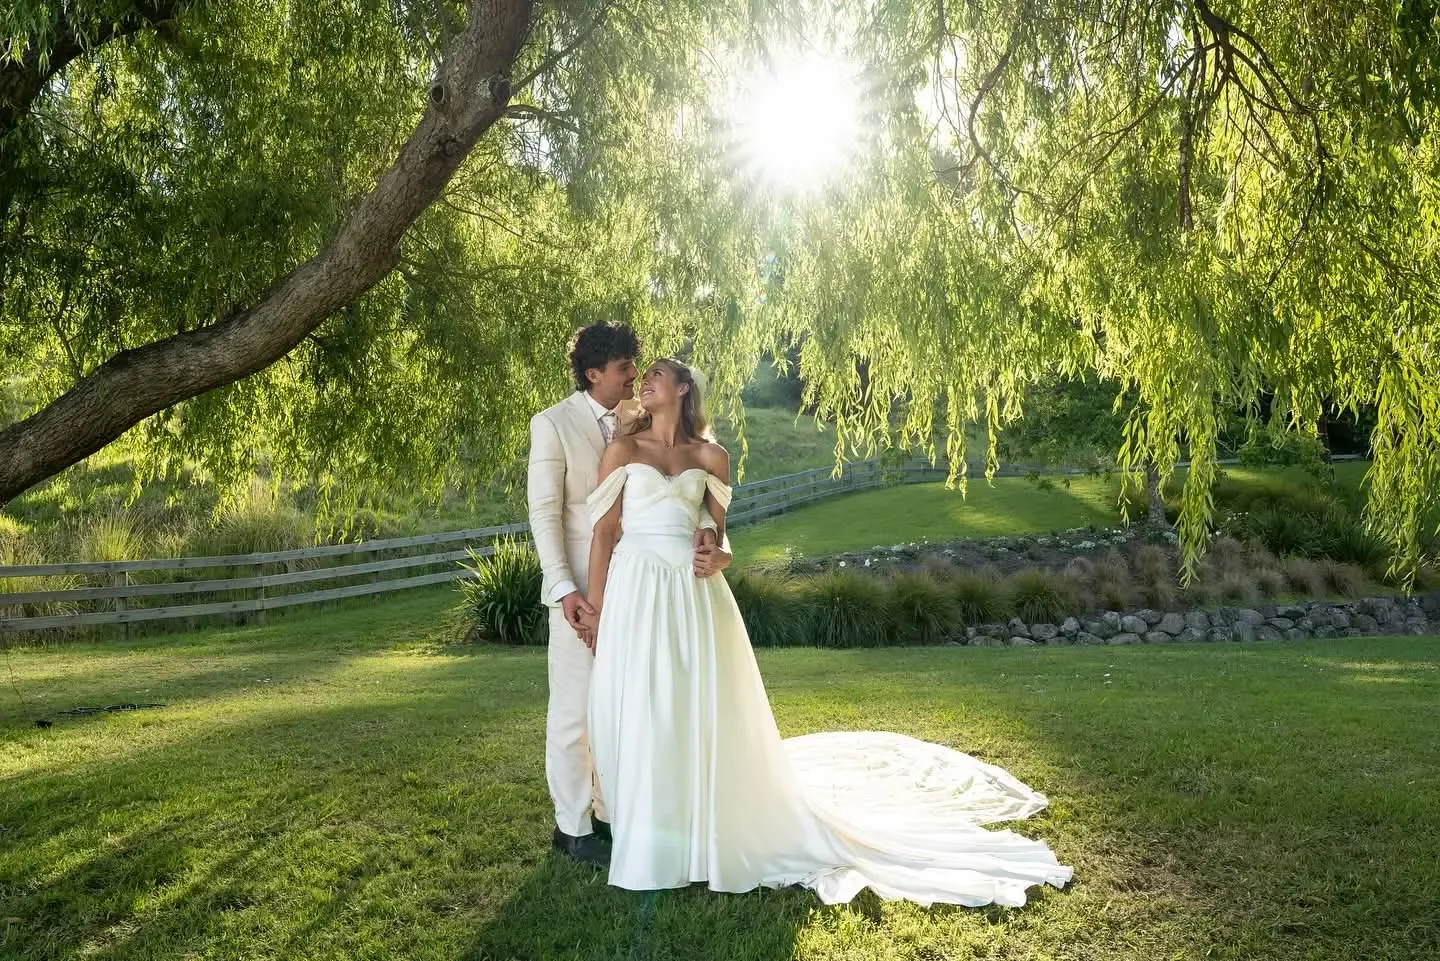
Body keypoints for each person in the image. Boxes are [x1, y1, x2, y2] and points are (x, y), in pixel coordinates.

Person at [583, 357, 1073, 906]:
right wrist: (598, 612)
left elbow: (720, 536)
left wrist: (717, 554)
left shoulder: (711, 456)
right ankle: (651, 839)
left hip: (694, 596)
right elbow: (602, 536)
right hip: (636, 590)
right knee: (645, 704)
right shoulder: (622, 451)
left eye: (656, 374)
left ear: (682, 388)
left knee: (696, 706)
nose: (643, 382)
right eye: (641, 376)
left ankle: (704, 832)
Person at [527, 324, 730, 868]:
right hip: (581, 589)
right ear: (594, 373)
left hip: (643, 589)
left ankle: (614, 813)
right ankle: (572, 829)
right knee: (575, 710)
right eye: (624, 368)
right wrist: (567, 590)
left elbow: (697, 512)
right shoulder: (552, 425)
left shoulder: (636, 422)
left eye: (640, 369)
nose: (635, 377)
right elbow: (547, 515)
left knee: (625, 703)